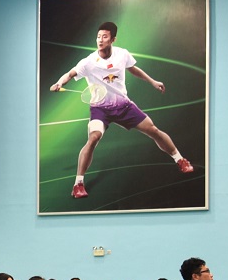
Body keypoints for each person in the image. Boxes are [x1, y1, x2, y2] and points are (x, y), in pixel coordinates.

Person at [50, 21, 193, 199]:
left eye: (104, 37)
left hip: (123, 106)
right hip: (100, 109)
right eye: (98, 36)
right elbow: (70, 74)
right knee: (93, 138)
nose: (100, 40)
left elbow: (134, 70)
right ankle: (78, 184)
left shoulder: (122, 54)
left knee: (153, 130)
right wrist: (59, 83)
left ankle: (180, 159)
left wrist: (153, 81)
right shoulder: (88, 62)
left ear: (113, 39)